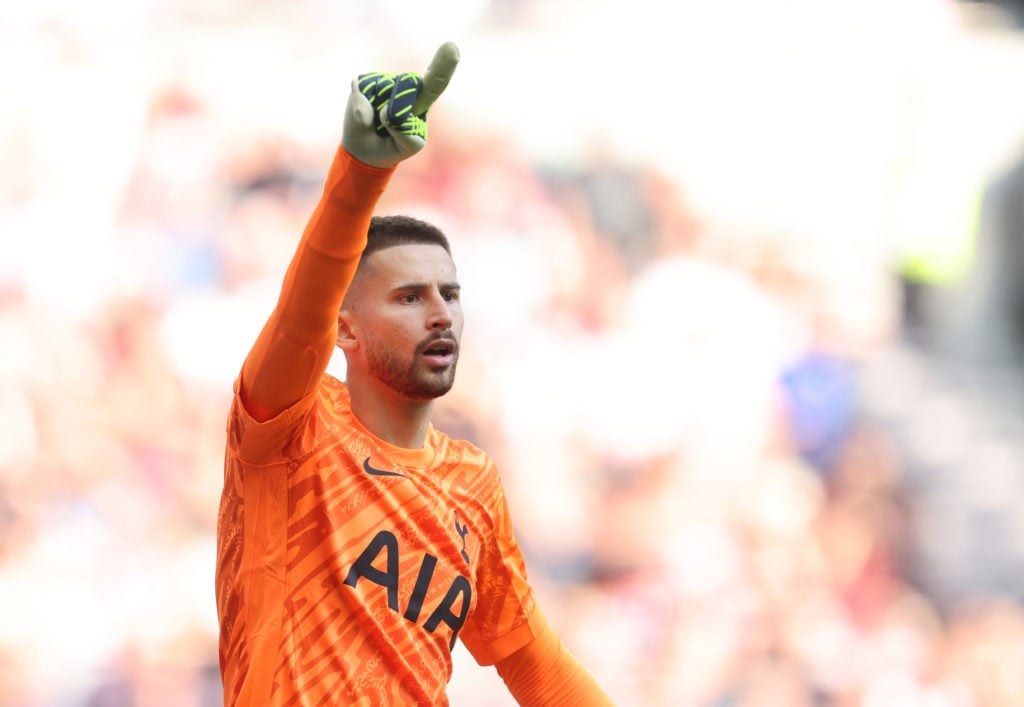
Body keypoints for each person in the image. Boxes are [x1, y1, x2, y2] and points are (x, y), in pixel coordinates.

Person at [214, 42, 615, 706]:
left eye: (449, 295)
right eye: (408, 297)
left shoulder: (470, 484)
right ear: (347, 327)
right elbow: (299, 315)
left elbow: (535, 664)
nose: (439, 315)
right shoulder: (292, 429)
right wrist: (361, 175)